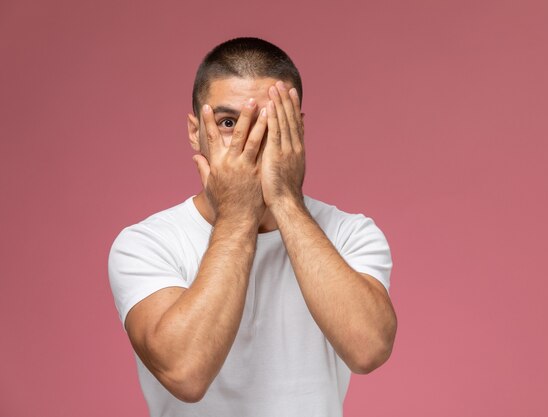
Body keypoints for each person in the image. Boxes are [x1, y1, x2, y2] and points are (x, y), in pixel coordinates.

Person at [108, 37, 397, 417]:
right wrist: (238, 215)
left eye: (271, 122)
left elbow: (368, 350)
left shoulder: (351, 234)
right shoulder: (146, 243)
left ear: (298, 129)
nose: (252, 141)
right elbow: (186, 373)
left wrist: (286, 201)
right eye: (229, 123)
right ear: (195, 132)